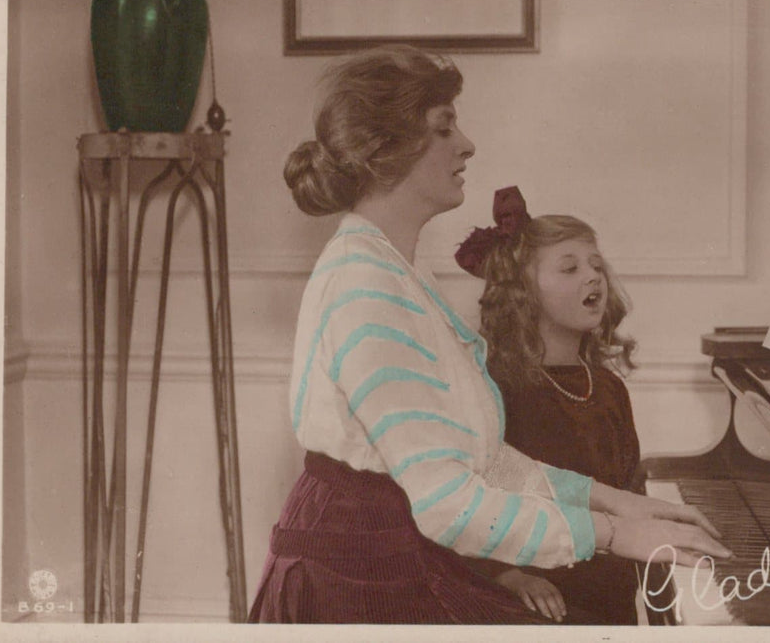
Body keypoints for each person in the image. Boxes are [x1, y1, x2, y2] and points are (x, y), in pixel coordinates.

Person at [248, 44, 730, 625]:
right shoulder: (365, 287)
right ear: (388, 151)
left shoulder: (395, 269)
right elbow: (448, 503)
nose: (467, 144)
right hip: (358, 577)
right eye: (444, 128)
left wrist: (620, 503)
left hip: (394, 554)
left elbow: (484, 461)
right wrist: (615, 534)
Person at [455, 188, 643, 624]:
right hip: (538, 602)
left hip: (610, 588)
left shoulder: (610, 387)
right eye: (569, 268)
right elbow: (464, 504)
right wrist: (509, 577)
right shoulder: (500, 387)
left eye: (596, 265)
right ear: (524, 290)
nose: (593, 276)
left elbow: (628, 492)